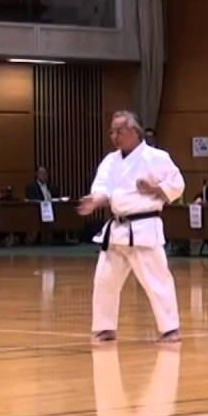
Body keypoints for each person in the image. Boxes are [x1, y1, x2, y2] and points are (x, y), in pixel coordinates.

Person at [78, 110, 184, 344]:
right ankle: (105, 327)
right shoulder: (110, 160)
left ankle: (170, 328)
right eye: (112, 132)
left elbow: (177, 185)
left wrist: (154, 189)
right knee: (105, 280)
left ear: (134, 132)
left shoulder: (156, 157)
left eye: (119, 131)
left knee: (157, 280)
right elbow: (103, 188)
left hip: (145, 226)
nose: (115, 136)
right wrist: (94, 201)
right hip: (117, 229)